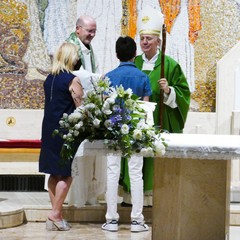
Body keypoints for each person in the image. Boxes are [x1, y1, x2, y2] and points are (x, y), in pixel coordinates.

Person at [121, 6, 191, 207]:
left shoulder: (169, 64)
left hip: (158, 123)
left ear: (158, 41)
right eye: (142, 38)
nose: (144, 42)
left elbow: (184, 93)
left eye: (149, 39)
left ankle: (152, 197)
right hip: (134, 123)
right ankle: (130, 196)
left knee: (153, 160)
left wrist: (169, 91)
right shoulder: (133, 63)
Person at [101, 36, 151, 233]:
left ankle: (111, 220)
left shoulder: (108, 77)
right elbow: (146, 107)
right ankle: (137, 221)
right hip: (136, 129)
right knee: (136, 174)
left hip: (113, 128)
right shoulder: (143, 77)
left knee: (112, 172)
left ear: (116, 54)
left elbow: (104, 106)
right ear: (134, 55)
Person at [39, 42, 84, 231]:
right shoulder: (71, 79)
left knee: (53, 172)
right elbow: (81, 107)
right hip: (65, 130)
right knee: (66, 173)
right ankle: (55, 214)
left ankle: (56, 216)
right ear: (70, 57)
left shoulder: (49, 78)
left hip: (49, 128)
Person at [66, 15, 101, 92]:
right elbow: (77, 75)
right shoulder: (69, 49)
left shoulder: (88, 47)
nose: (92, 34)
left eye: (94, 31)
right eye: (89, 31)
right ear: (78, 29)